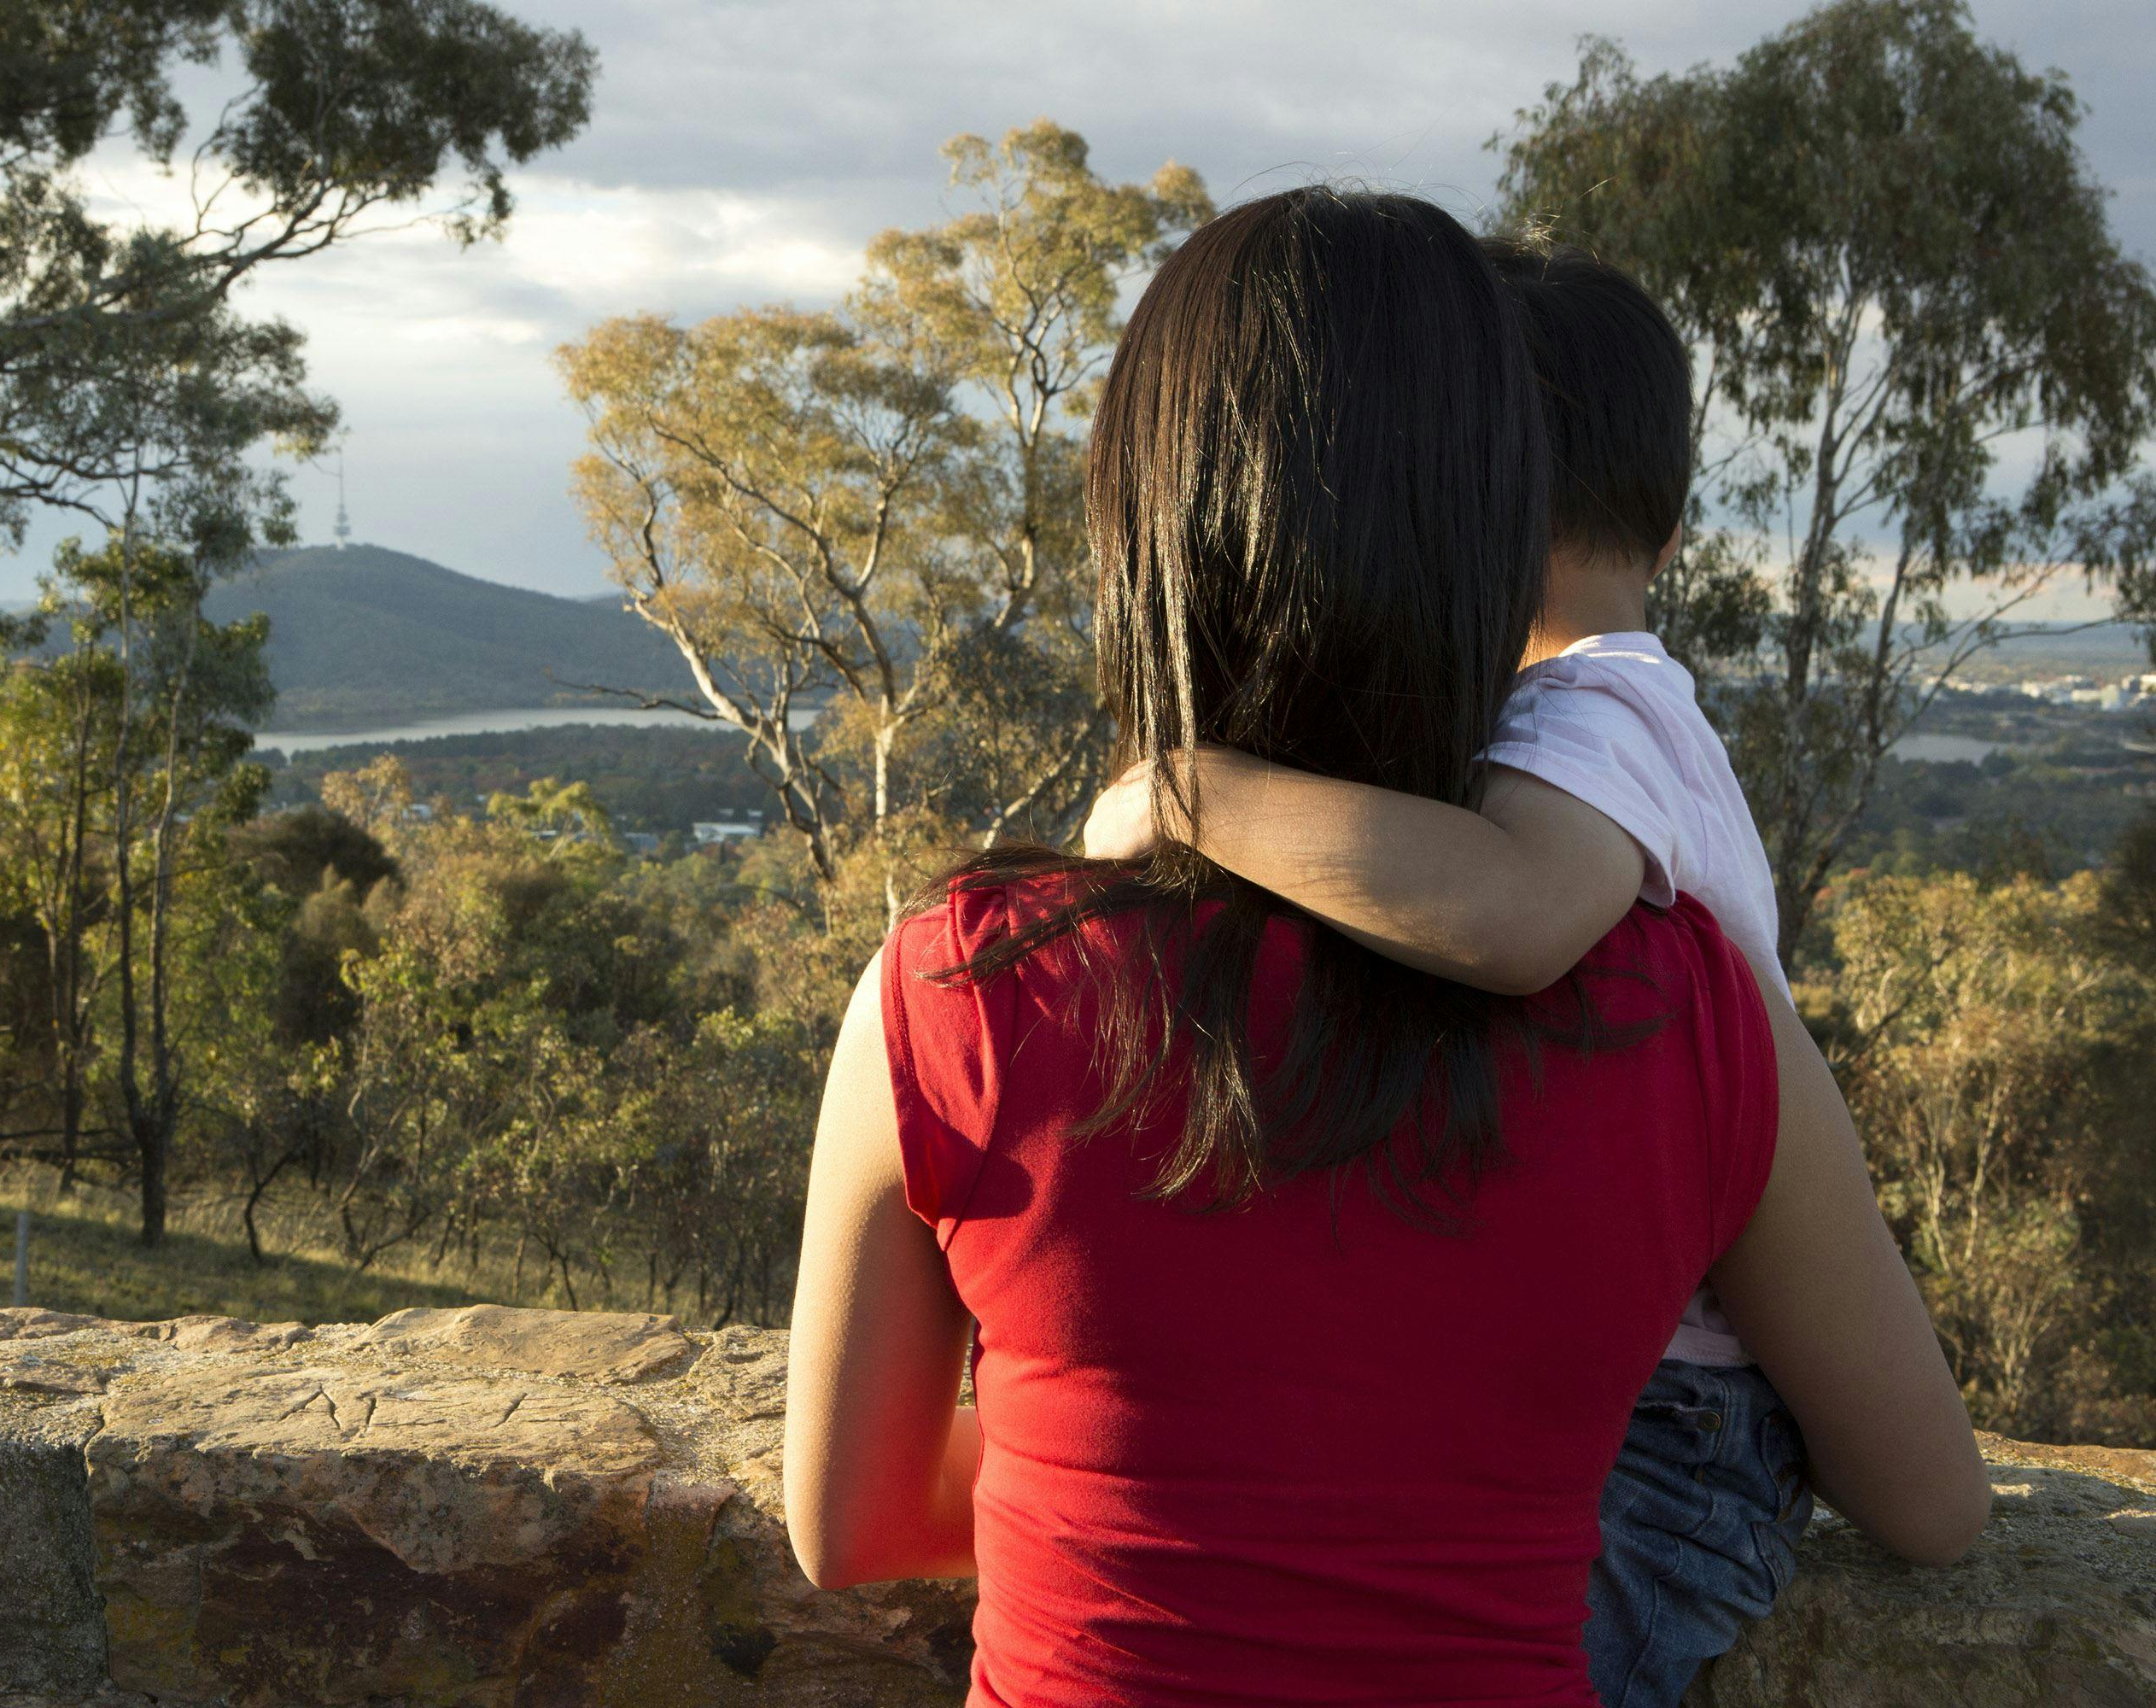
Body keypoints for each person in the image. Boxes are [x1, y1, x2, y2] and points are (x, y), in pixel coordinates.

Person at [782, 189, 1987, 1708]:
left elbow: (853, 1523)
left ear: (1143, 524)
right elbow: (1934, 1504)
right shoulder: (1691, 1013)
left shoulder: (957, 993)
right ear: (1504, 527)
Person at [1078, 240, 1807, 1705]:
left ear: (1469, 489)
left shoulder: (1598, 709)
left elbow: (1515, 914)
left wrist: (1185, 789)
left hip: (1673, 1417)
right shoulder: (1618, 713)